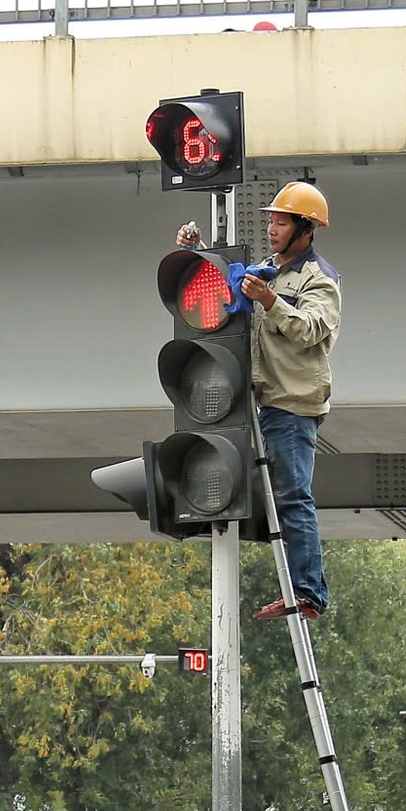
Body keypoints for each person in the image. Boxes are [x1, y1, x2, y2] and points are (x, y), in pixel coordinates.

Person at [174, 180, 342, 621]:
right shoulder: (270, 269)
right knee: (264, 496)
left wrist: (270, 301)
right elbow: (233, 290)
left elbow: (310, 329)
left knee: (292, 497)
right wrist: (199, 251)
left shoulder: (318, 280)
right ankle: (296, 587)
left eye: (282, 221)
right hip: (262, 402)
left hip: (293, 403)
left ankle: (308, 593)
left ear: (306, 230)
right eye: (271, 219)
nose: (272, 227)